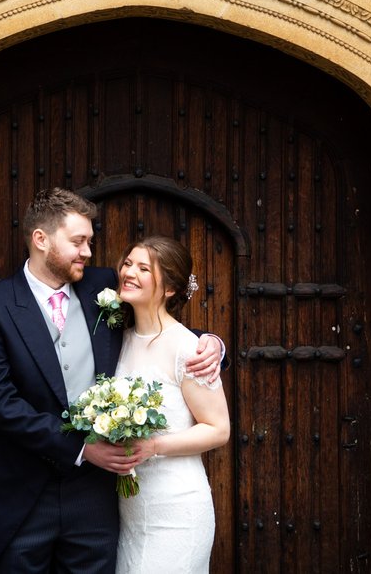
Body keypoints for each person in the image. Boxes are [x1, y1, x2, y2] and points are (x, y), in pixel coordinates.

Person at [0, 188, 224, 573]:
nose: (88, 251)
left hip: (97, 499)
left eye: (90, 241)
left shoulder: (102, 287)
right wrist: (83, 449)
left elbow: (163, 330)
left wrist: (213, 346)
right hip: (22, 493)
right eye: (78, 241)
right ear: (41, 239)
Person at [112, 236, 231, 573]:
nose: (129, 272)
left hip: (176, 510)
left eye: (143, 268)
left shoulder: (189, 349)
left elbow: (219, 429)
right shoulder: (119, 339)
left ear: (169, 289)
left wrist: (153, 446)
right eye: (128, 263)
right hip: (132, 513)